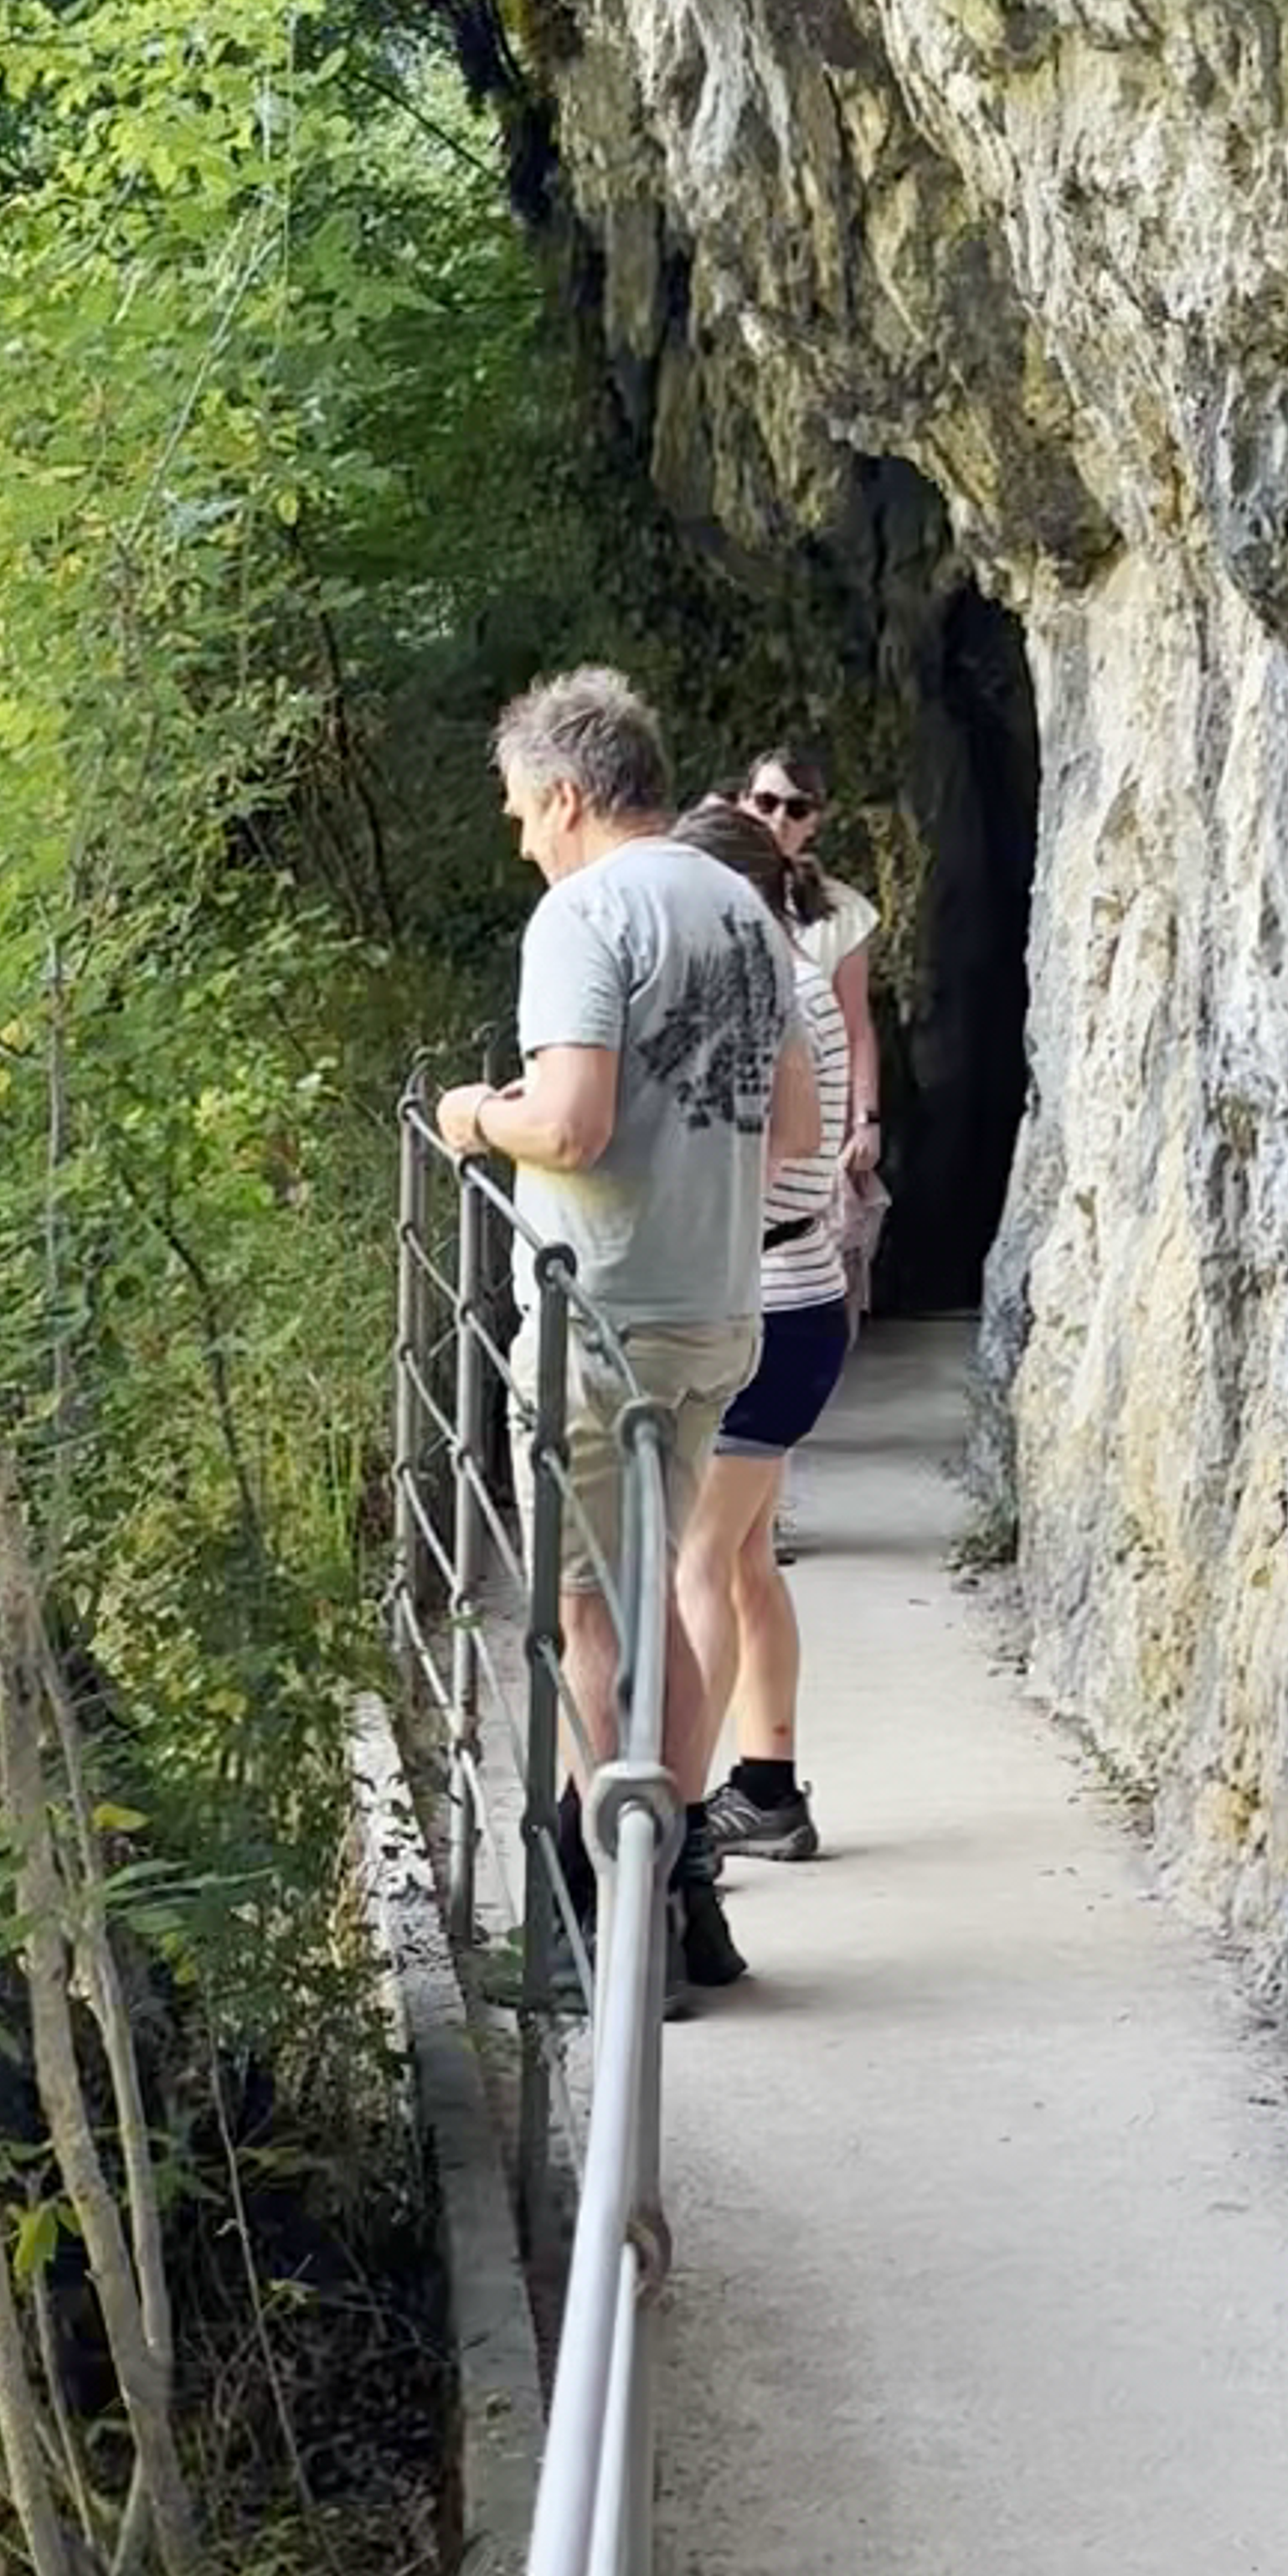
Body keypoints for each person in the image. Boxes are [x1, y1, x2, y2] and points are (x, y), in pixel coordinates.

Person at [436, 667, 819, 1996]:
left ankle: (615, 1913)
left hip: (604, 1314)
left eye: (519, 810)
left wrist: (476, 1113)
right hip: (720, 1305)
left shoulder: (583, 915)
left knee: (586, 1604)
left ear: (565, 792)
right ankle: (684, 1887)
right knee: (670, 1594)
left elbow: (574, 1123)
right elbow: (796, 1128)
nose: (519, 836)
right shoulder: (747, 903)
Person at [671, 796, 850, 1864]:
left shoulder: (765, 989)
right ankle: (768, 1787)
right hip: (807, 1297)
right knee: (743, 1558)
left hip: (769, 1301)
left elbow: (757, 1145)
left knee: (702, 1556)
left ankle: (683, 1820)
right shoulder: (805, 979)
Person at [739, 740, 887, 1330]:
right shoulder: (710, 891)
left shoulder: (842, 913)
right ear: (743, 802)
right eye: (768, 801)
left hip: (807, 1113)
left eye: (796, 808)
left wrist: (866, 1120)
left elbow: (856, 1026)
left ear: (816, 819)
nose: (779, 819)